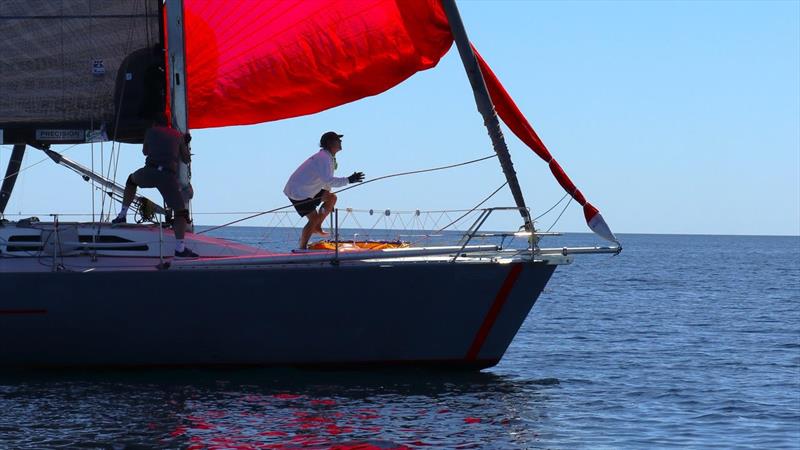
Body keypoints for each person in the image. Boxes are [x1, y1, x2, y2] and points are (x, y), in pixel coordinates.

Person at [111, 113, 198, 258]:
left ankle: (122, 215)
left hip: (150, 171)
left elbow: (145, 152)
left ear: (154, 124)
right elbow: (186, 159)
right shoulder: (178, 135)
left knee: (131, 181)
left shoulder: (151, 131)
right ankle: (180, 249)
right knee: (180, 212)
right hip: (168, 177)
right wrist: (184, 142)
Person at [284, 131, 365, 249]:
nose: (340, 141)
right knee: (313, 220)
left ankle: (317, 226)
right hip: (299, 192)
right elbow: (328, 180)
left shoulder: (329, 157)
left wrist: (327, 200)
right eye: (338, 139)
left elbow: (326, 182)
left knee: (332, 198)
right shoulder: (323, 158)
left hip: (309, 189)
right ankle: (302, 247)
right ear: (329, 143)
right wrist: (349, 180)